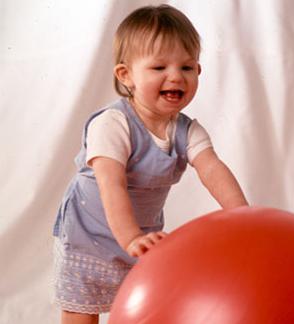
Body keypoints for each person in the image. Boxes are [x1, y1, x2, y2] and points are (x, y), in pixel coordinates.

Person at [52, 4, 248, 324]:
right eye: (159, 67)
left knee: (140, 299)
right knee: (82, 306)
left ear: (198, 71)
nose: (175, 76)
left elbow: (211, 168)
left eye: (186, 67)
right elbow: (110, 183)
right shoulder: (113, 124)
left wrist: (241, 214)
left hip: (142, 234)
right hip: (88, 234)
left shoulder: (186, 129)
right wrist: (129, 237)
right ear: (125, 75)